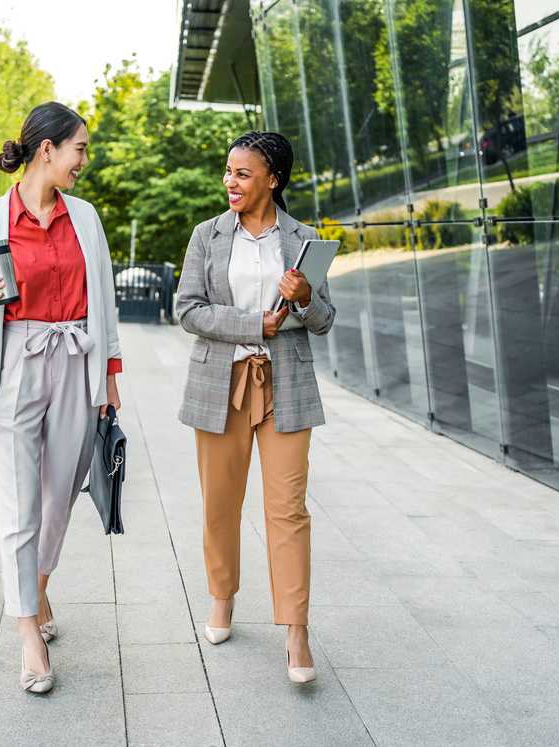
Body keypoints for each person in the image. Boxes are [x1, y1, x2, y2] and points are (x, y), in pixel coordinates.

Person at [0, 101, 123, 694]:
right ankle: (28, 630)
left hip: (76, 360)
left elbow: (104, 297)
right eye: (79, 148)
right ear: (46, 149)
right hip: (16, 367)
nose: (84, 160)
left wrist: (110, 377)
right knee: (19, 503)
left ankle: (39, 586)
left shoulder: (87, 218)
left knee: (59, 499)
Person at [175, 131, 335, 684]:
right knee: (220, 502)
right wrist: (253, 324)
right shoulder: (207, 236)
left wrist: (307, 297)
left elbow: (324, 320)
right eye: (228, 171)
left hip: (286, 385)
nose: (231, 182)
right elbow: (188, 309)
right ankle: (221, 596)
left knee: (288, 510)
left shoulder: (305, 239)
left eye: (242, 173)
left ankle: (296, 630)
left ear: (273, 178)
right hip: (221, 383)